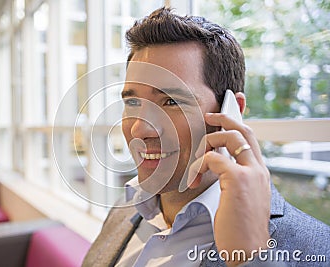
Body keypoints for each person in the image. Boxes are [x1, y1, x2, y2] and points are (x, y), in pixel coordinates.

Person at [82, 7, 330, 267]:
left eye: (170, 101)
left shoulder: (317, 250)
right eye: (133, 102)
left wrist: (251, 259)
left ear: (233, 111)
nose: (138, 131)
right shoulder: (128, 207)